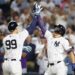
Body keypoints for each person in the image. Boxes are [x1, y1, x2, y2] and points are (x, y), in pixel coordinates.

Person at [34, 3, 73, 75]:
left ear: (60, 31)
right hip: (50, 67)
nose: (55, 29)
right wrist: (38, 15)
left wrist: (73, 63)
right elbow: (42, 26)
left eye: (56, 28)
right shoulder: (49, 36)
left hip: (60, 66)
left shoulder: (64, 40)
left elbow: (70, 52)